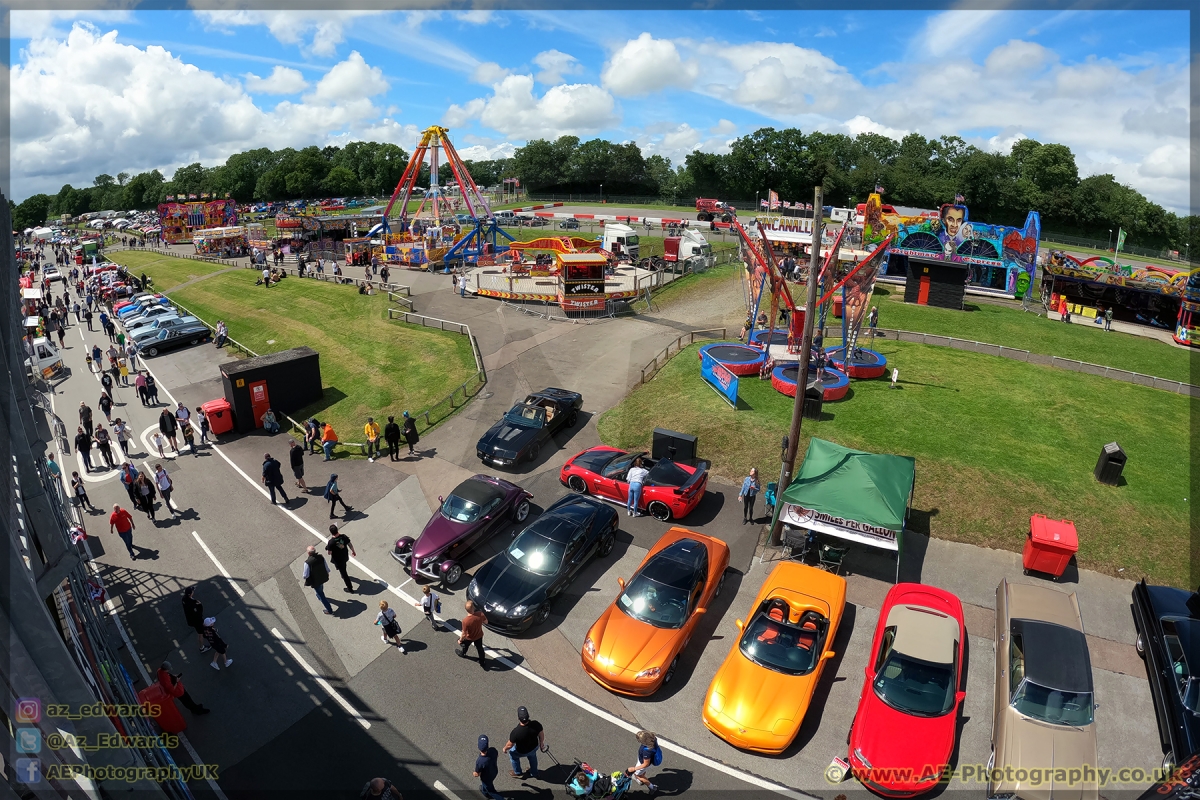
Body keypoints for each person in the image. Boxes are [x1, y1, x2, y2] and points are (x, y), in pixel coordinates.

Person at [503, 706, 545, 779]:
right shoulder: (536, 724)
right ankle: (534, 772)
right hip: (534, 747)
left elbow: (510, 745)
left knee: (512, 755)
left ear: (518, 718)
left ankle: (518, 772)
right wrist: (541, 743)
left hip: (521, 751)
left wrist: (505, 748)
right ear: (528, 716)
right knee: (533, 757)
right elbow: (541, 734)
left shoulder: (516, 732)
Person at [303, 545, 334, 615]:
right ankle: (319, 596)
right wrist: (327, 573)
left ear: (308, 553)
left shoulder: (307, 563)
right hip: (322, 577)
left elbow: (305, 575)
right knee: (320, 588)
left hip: (315, 581)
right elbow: (326, 566)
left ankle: (329, 610)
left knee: (321, 594)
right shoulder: (321, 557)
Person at [326, 524, 357, 592]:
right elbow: (349, 544)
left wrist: (329, 548)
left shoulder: (331, 542)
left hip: (338, 560)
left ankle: (350, 588)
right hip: (345, 556)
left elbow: (329, 553)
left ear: (331, 532)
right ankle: (343, 575)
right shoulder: (343, 536)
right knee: (343, 567)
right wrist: (353, 551)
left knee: (344, 574)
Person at [458, 599, 488, 669]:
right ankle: (482, 661)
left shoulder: (465, 621)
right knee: (480, 649)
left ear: (466, 610)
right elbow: (486, 622)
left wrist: (460, 640)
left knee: (465, 645)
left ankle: (463, 653)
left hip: (470, 637)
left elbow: (464, 634)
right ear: (473, 607)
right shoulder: (480, 614)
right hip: (479, 635)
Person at [475, 735, 504, 800]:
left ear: (478, 747)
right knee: (485, 785)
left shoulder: (480, 761)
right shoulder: (493, 750)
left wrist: (474, 773)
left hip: (486, 777)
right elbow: (497, 755)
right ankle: (484, 791)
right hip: (494, 771)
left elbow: (477, 773)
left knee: (491, 790)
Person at [182, 587, 209, 653]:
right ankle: (202, 648)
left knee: (201, 630)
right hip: (196, 621)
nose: (193, 592)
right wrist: (200, 605)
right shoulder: (193, 605)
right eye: (192, 591)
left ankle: (205, 632)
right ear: (190, 594)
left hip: (190, 620)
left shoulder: (184, 599)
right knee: (200, 634)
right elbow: (198, 613)